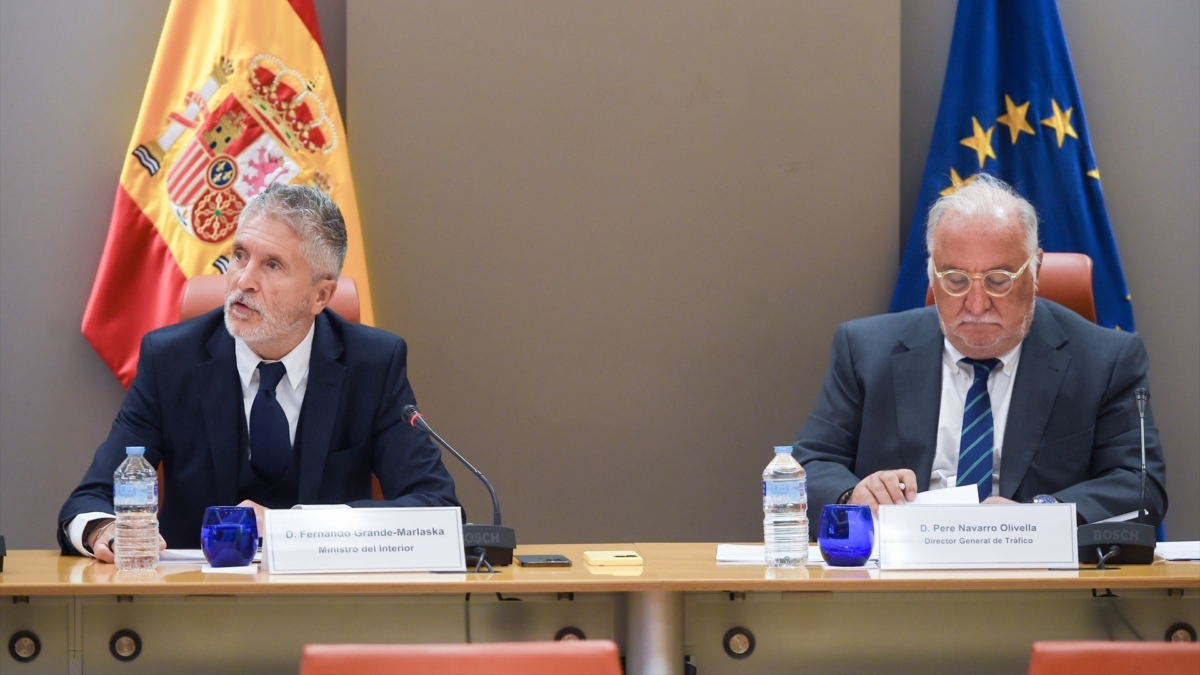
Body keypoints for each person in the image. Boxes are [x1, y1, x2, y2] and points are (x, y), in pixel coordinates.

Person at [59, 183, 459, 560]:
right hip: (194, 604)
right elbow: (88, 501)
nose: (243, 281)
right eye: (238, 255)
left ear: (320, 295)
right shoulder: (170, 360)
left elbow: (436, 507)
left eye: (272, 265)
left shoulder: (372, 364)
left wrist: (294, 526)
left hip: (330, 601)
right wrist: (104, 531)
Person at [793, 174, 1166, 526]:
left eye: (998, 280)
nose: (976, 303)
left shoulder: (1106, 360)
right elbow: (807, 465)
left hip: (1039, 580)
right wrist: (852, 495)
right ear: (931, 274)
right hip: (898, 577)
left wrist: (1043, 516)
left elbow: (1141, 485)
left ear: (1034, 269)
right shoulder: (864, 350)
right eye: (955, 280)